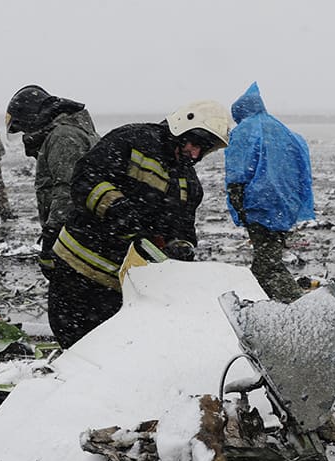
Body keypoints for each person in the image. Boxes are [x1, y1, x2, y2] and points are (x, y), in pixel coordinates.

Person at [44, 100, 232, 348]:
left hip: (121, 286)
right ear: (181, 127)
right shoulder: (132, 140)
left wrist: (181, 247)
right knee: (74, 346)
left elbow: (183, 228)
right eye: (195, 143)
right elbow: (85, 178)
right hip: (76, 269)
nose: (195, 154)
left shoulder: (189, 184)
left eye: (203, 149)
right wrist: (114, 208)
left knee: (105, 352)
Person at [225, 82, 315, 302]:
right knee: (267, 259)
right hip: (285, 204)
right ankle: (271, 304)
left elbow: (238, 171)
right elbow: (301, 168)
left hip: (259, 203)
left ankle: (295, 307)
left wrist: (238, 203)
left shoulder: (245, 130)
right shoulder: (284, 131)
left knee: (267, 266)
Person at [5, 85, 99, 279]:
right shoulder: (66, 133)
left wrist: (53, 233)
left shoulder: (63, 136)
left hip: (77, 234)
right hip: (82, 230)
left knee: (71, 294)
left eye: (23, 127)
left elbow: (67, 188)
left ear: (31, 118)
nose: (24, 134)